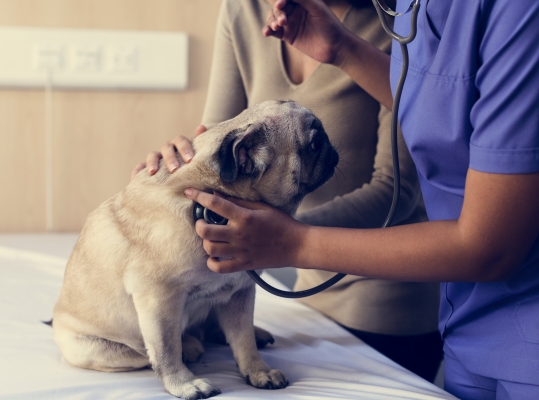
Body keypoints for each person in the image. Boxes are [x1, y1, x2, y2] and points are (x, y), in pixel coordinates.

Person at [177, 0, 539, 398]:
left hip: (512, 333)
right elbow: (445, 108)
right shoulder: (409, 10)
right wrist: (182, 166)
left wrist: (291, 241)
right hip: (465, 324)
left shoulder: (512, 14)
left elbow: (489, 244)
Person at [134, 0, 444, 382]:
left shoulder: (400, 25)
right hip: (303, 296)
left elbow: (394, 192)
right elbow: (221, 148)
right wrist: (178, 166)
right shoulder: (243, 10)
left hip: (383, 305)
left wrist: (280, 239)